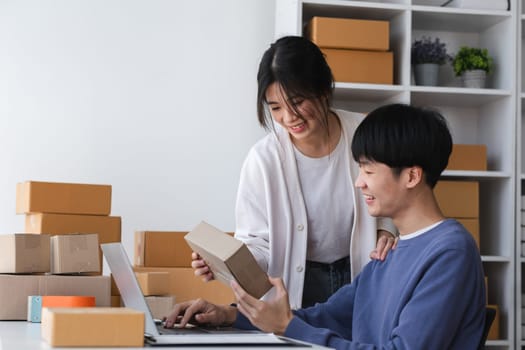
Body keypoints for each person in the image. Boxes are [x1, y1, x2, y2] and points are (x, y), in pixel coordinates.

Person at [166, 103, 486, 349]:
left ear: (412, 176)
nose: (359, 183)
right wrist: (230, 315)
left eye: (369, 171)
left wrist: (287, 326)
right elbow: (326, 316)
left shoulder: (449, 252)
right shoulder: (391, 253)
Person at [191, 35, 397, 309]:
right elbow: (258, 245)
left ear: (323, 90)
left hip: (361, 273)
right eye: (275, 107)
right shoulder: (263, 160)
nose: (289, 118)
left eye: (297, 102)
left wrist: (387, 230)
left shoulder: (365, 133)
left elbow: (396, 192)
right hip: (297, 284)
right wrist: (226, 263)